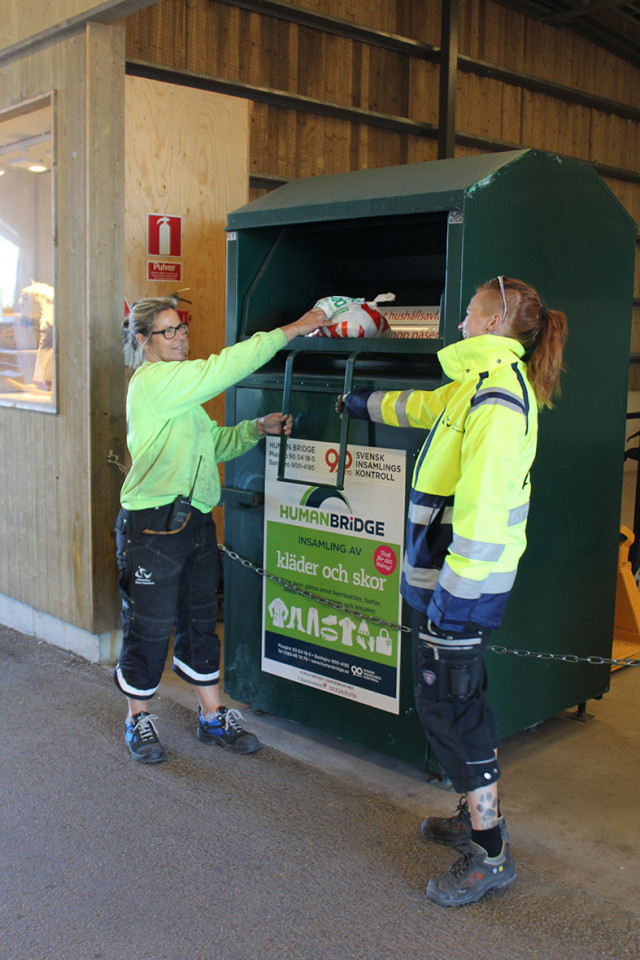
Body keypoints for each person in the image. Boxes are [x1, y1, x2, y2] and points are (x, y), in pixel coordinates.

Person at [338, 277, 568, 906]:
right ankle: (473, 813)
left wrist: (455, 599)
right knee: (456, 700)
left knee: (452, 710)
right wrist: (364, 405)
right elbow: (424, 409)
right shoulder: (474, 385)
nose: (459, 320)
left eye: (469, 312)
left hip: (461, 588)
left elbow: (487, 514)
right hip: (444, 582)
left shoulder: (497, 399)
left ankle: (491, 854)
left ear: (493, 325)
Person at [116, 295, 329, 764]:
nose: (179, 338)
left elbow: (211, 442)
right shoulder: (154, 382)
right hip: (151, 526)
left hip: (192, 522)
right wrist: (291, 328)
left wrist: (255, 427)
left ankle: (212, 716)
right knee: (148, 627)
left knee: (199, 621)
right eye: (167, 332)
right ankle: (138, 719)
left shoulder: (182, 396)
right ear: (141, 340)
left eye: (181, 329)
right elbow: (223, 367)